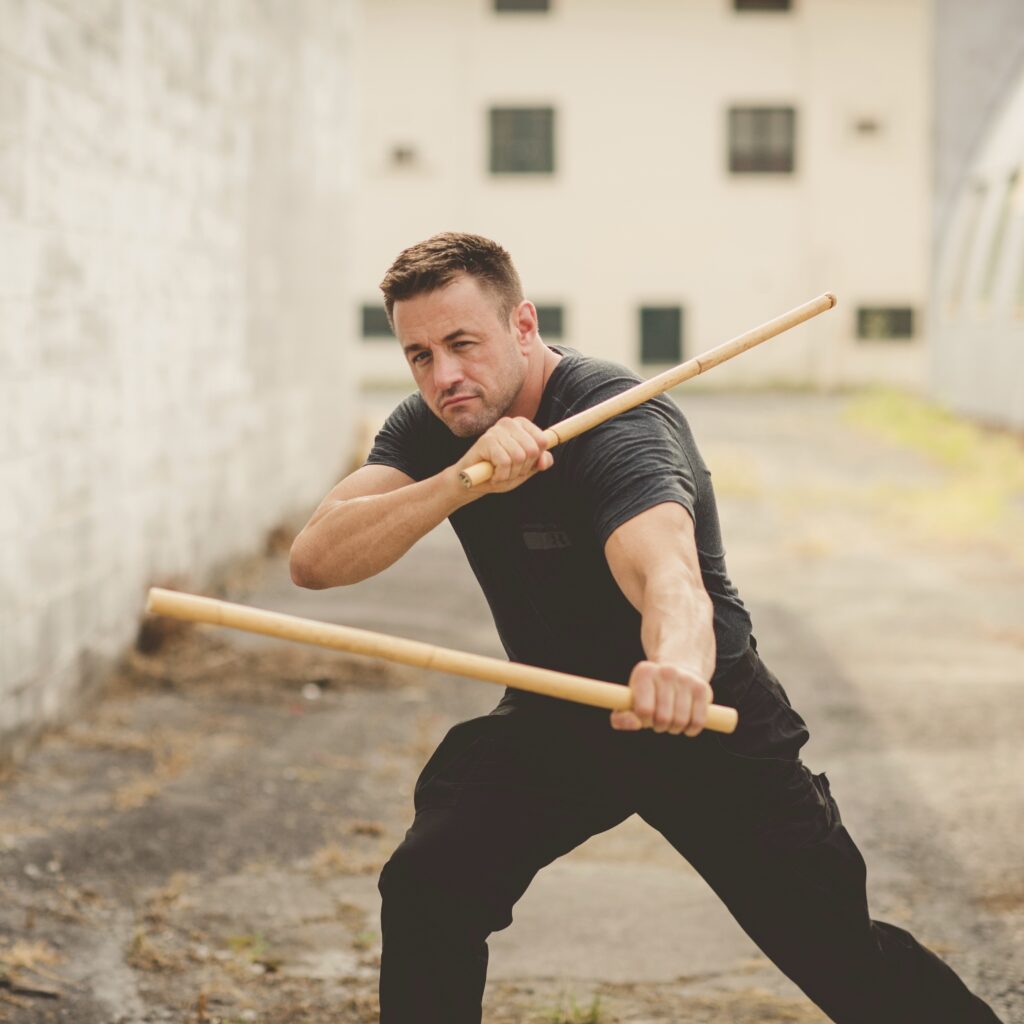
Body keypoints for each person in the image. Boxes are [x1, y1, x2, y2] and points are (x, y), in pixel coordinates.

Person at [289, 232, 1002, 1024]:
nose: (444, 374)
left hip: (699, 710)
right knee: (430, 886)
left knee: (839, 956)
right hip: (561, 708)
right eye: (419, 355)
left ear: (523, 324)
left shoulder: (614, 422)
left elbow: (670, 575)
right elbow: (315, 559)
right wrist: (461, 482)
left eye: (462, 343)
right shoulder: (444, 422)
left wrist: (677, 669)